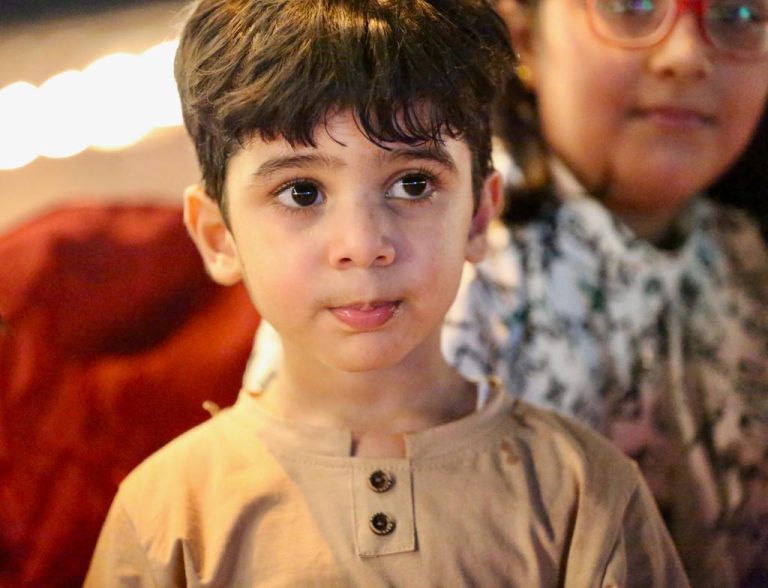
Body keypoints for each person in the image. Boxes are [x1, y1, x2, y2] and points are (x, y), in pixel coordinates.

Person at [85, 0, 690, 585]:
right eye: (302, 193)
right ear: (219, 236)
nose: (363, 244)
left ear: (478, 217)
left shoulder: (584, 491)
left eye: (413, 183)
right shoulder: (168, 513)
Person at [440, 0, 768, 586]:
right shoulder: (440, 269)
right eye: (630, 6)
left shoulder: (747, 261)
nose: (685, 56)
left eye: (739, 13)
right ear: (524, 38)